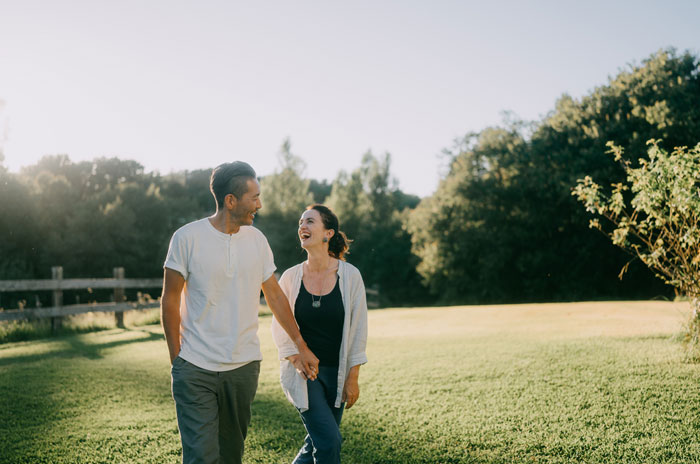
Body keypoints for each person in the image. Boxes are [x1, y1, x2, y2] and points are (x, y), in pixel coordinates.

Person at [160, 161, 320, 464]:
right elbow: (170, 299)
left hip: (243, 367)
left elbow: (274, 295)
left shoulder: (257, 241)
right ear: (230, 201)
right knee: (201, 457)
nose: (259, 204)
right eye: (254, 197)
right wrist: (177, 360)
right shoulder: (186, 238)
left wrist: (301, 344)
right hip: (195, 367)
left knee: (231, 455)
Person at [271, 204, 368, 464]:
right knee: (329, 441)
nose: (302, 226)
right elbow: (278, 324)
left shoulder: (351, 276)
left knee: (315, 443)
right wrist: (296, 358)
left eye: (310, 221)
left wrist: (353, 377)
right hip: (305, 374)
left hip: (337, 373)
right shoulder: (290, 277)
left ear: (328, 233)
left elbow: (359, 329)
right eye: (300, 222)